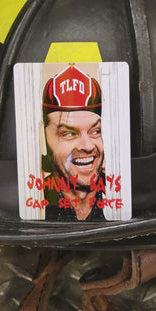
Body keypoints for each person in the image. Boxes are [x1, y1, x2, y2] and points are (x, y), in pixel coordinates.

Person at [42, 64, 106, 221]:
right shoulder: (35, 195)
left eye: (95, 131)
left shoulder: (120, 192)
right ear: (45, 138)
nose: (88, 146)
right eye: (69, 133)